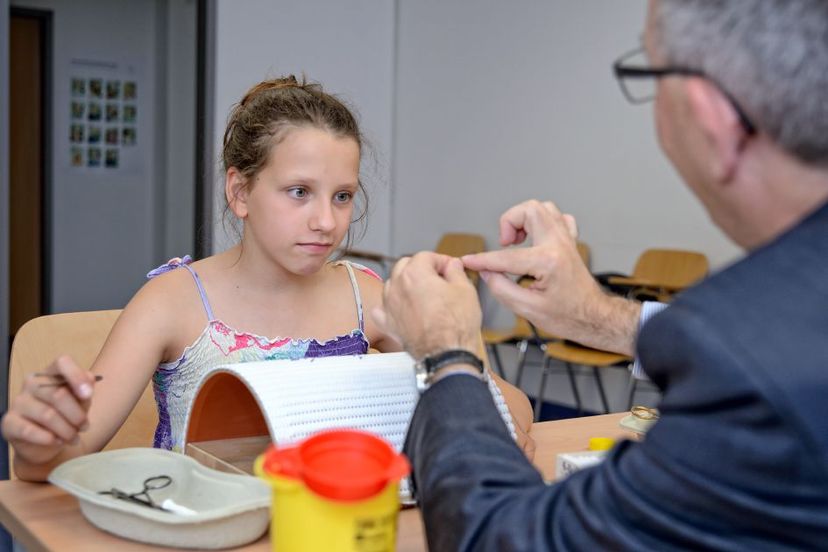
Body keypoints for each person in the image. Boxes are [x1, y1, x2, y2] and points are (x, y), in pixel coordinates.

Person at [375, 0, 828, 549]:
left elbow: (503, 538)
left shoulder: (743, 371)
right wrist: (595, 314)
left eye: (652, 77)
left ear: (713, 118)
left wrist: (448, 357)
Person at [1, 76, 533, 482]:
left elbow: (514, 412)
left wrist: (456, 348)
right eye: (299, 192)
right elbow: (51, 461)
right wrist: (39, 439)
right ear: (240, 192)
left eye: (342, 196)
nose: (327, 221)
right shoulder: (172, 302)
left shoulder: (365, 297)